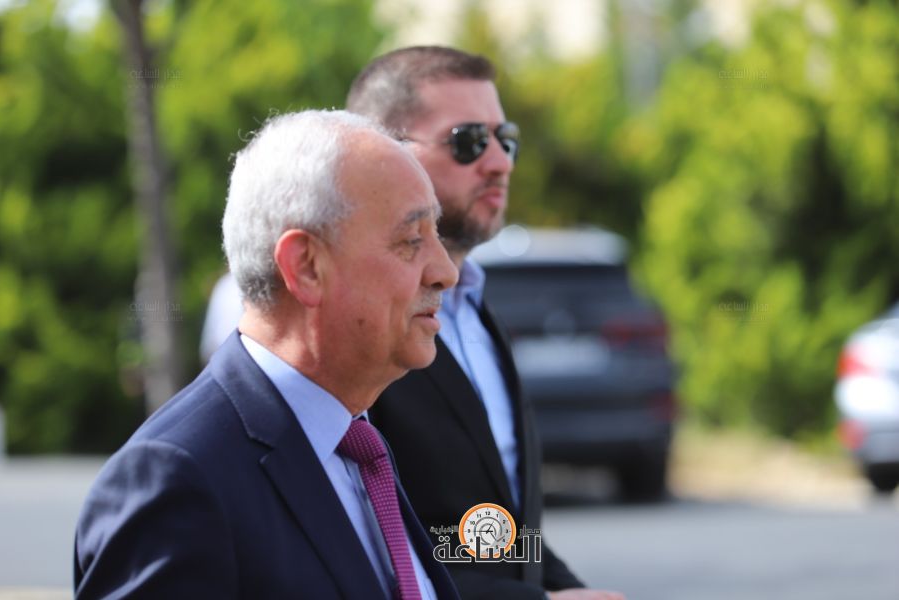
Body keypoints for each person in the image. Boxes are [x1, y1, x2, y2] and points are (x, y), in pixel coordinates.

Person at [74, 110, 461, 599]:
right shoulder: (177, 480)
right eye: (411, 239)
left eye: (436, 234)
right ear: (305, 267)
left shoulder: (358, 445)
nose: (446, 271)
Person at [347, 47, 625, 600]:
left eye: (507, 139)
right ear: (385, 152)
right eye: (469, 140)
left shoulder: (473, 306)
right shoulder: (357, 323)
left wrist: (568, 590)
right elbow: (366, 544)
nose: (500, 162)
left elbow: (494, 533)